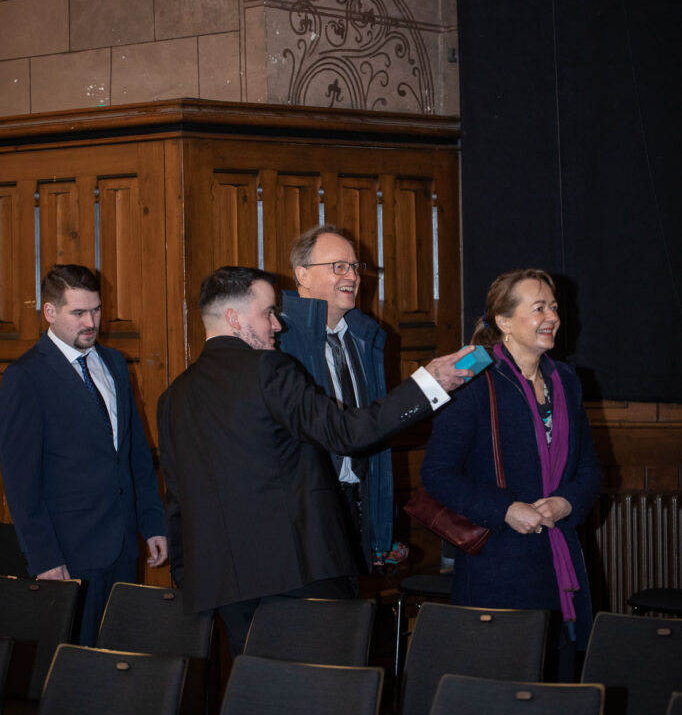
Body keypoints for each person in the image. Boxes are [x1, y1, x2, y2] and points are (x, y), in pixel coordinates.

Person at [157, 265, 473, 656]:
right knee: (323, 689)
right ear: (234, 319)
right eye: (268, 313)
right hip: (298, 574)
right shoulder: (268, 368)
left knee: (257, 688)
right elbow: (347, 433)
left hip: (223, 584)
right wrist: (427, 384)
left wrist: (187, 576)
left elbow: (177, 499)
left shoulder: (173, 397)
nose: (278, 326)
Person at [420, 269, 601, 678]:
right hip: (497, 566)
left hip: (559, 562)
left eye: (553, 307)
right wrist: (505, 509)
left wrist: (567, 502)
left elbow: (590, 468)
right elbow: (437, 474)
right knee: (501, 695)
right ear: (504, 321)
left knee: (559, 688)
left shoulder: (566, 380)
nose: (551, 317)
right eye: (538, 308)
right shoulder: (472, 378)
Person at [0, 264, 167, 645]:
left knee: (120, 658)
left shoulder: (114, 363)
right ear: (50, 312)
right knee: (77, 665)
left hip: (124, 546)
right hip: (69, 553)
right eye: (78, 313)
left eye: (96, 310)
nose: (91, 322)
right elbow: (21, 482)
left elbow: (134, 455)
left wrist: (152, 522)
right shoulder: (25, 377)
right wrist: (44, 558)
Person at [280, 224, 403, 571]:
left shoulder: (365, 338)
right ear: (302, 275)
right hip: (305, 510)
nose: (352, 276)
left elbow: (374, 429)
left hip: (357, 499)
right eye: (338, 266)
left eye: (354, 267)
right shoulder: (279, 339)